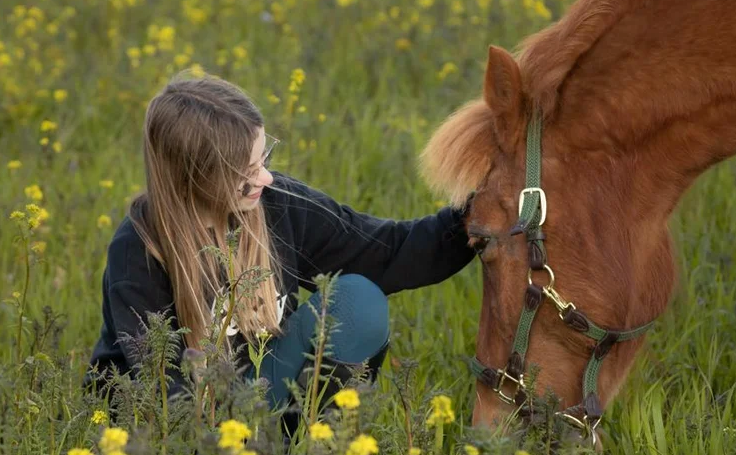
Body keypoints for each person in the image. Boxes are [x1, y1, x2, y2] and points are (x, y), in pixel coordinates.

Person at [87, 74, 475, 414]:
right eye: (246, 171)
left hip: (262, 392)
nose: (266, 179)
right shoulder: (138, 252)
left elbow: (389, 252)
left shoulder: (277, 205)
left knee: (360, 300)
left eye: (263, 158)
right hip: (174, 424)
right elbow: (162, 396)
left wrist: (482, 212)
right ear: (195, 178)